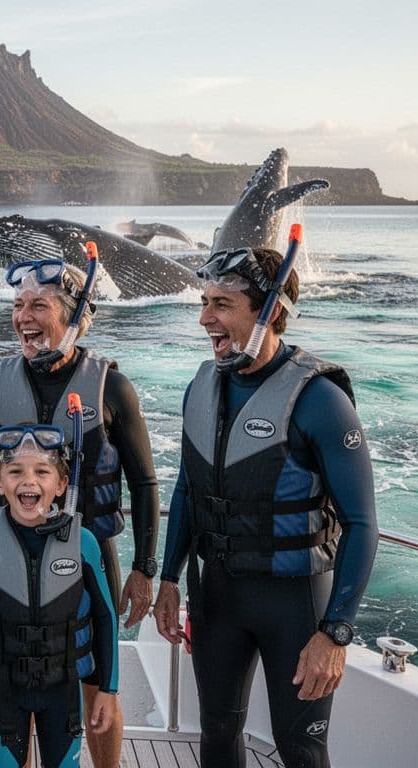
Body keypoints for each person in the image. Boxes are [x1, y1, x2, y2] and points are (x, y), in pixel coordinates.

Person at [152, 245, 378, 768]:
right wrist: (168, 578)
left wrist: (335, 632)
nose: (205, 318)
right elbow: (189, 489)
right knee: (216, 735)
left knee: (301, 750)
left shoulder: (320, 400)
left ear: (270, 310)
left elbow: (362, 524)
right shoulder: (202, 387)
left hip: (297, 607)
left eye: (222, 304)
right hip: (219, 598)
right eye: (204, 302)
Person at [0, 255, 158, 765]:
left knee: (96, 691)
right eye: (18, 305)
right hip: (8, 557)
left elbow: (145, 482)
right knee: (13, 670)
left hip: (89, 558)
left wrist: (144, 568)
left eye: (38, 305)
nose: (23, 316)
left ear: (74, 317)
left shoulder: (111, 387)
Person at [0, 423, 119, 768]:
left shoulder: (82, 542)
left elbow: (105, 618)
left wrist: (108, 689)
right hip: (3, 688)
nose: (29, 481)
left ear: (61, 484)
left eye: (42, 471)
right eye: (15, 471)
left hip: (64, 688)